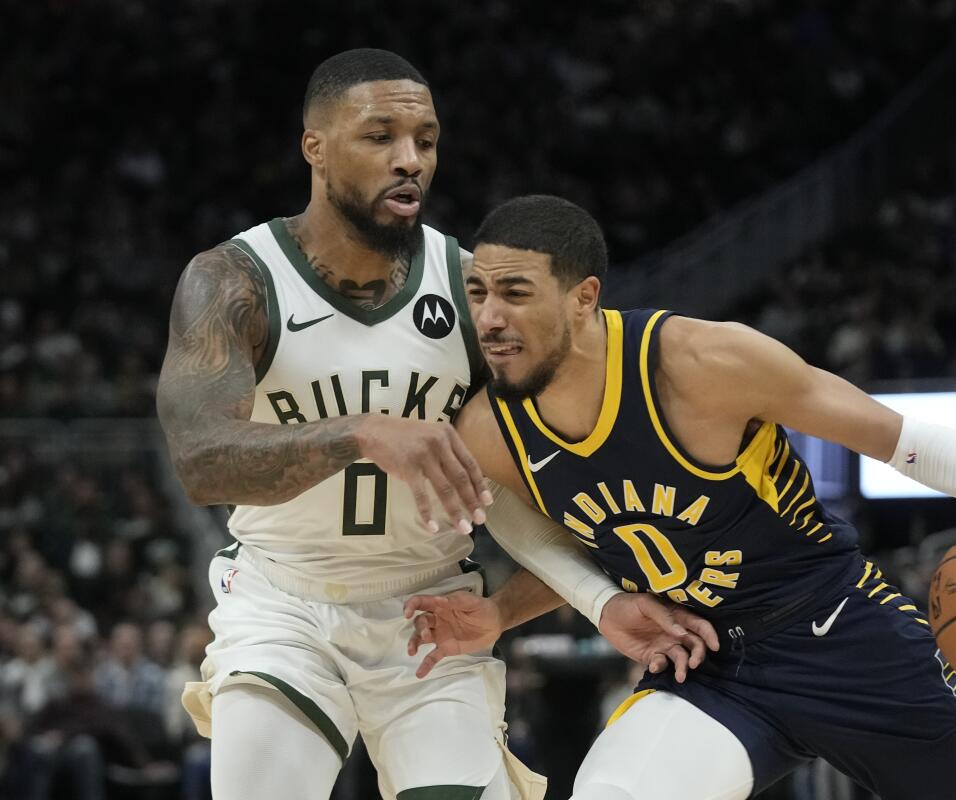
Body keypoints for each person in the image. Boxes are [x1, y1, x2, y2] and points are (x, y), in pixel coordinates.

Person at [404, 194, 956, 800]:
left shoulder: (701, 365)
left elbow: (896, 438)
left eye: (515, 293)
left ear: (584, 297)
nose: (490, 318)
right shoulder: (491, 429)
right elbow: (550, 545)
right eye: (479, 293)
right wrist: (519, 610)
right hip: (709, 665)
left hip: (838, 625)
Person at [156, 51, 714, 800]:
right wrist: (362, 433)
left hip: (432, 610)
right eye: (380, 136)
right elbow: (201, 461)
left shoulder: (469, 290)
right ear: (314, 147)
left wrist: (599, 599)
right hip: (282, 603)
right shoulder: (234, 280)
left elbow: (544, 489)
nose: (410, 160)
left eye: (426, 138)